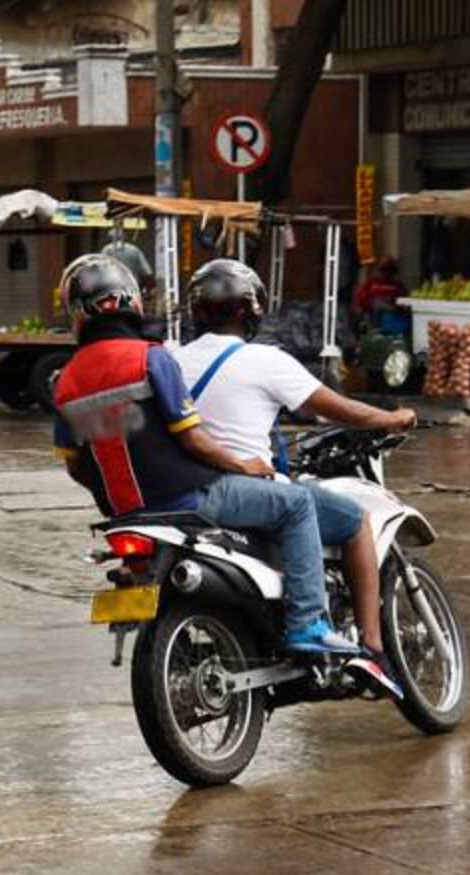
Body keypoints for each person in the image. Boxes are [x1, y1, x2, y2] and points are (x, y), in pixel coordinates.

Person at [52, 254, 361, 656]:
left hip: (124, 514)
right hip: (187, 499)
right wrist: (243, 465)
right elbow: (193, 439)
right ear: (131, 301)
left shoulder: (66, 381)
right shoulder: (151, 357)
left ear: (76, 313)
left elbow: (76, 464)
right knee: (298, 503)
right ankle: (307, 623)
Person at [174, 258, 416, 693]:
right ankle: (360, 644)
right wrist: (393, 417)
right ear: (251, 309)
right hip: (235, 488)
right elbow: (340, 410)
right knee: (351, 518)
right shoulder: (266, 360)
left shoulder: (173, 359)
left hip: (186, 490)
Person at [354, 256, 408, 329]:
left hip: (393, 317)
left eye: (389, 270)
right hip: (373, 317)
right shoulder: (371, 284)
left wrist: (391, 306)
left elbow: (404, 303)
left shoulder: (398, 286)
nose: (386, 273)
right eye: (383, 270)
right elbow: (361, 300)